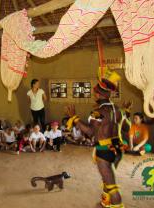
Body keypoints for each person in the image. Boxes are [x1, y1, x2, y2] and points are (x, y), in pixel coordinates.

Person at [65, 68, 127, 208]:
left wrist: (74, 118)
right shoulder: (117, 109)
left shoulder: (97, 112)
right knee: (107, 178)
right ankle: (105, 203)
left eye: (95, 93)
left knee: (111, 185)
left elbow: (90, 132)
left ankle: (117, 204)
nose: (94, 95)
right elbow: (124, 128)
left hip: (104, 150)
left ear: (98, 95)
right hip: (117, 148)